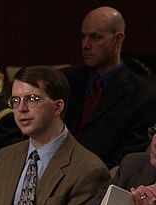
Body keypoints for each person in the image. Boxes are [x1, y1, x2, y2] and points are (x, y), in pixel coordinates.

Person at [0, 66, 109, 205]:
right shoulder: (5, 157)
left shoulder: (89, 171)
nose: (21, 109)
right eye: (15, 101)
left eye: (32, 99)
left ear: (58, 107)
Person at [62, 7, 156, 168]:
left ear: (118, 39)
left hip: (100, 179)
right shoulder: (65, 80)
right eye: (83, 37)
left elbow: (126, 160)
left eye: (95, 37)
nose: (85, 45)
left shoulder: (143, 96)